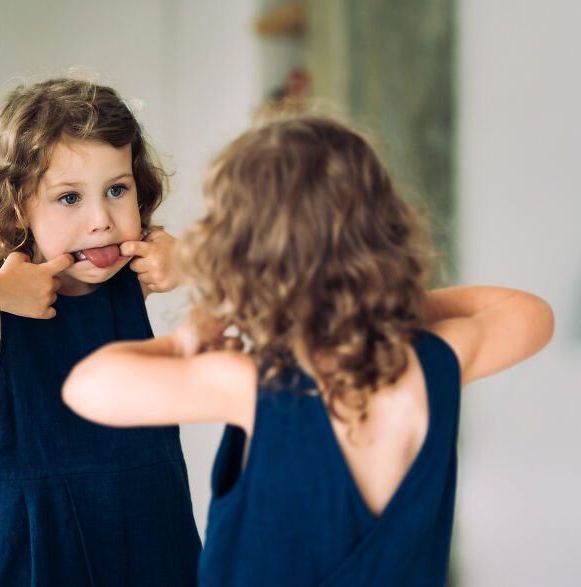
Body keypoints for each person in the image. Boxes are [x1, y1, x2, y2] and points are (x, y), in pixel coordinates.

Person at [63, 116, 554, 586]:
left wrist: (183, 343)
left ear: (242, 263)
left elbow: (87, 386)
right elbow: (530, 314)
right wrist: (379, 310)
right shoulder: (434, 364)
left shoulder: (253, 384)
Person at [0, 77, 200, 586]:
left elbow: (289, 279)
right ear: (20, 207)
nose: (101, 219)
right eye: (69, 198)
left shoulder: (133, 281)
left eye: (117, 190)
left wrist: (196, 263)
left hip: (157, 547)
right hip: (43, 559)